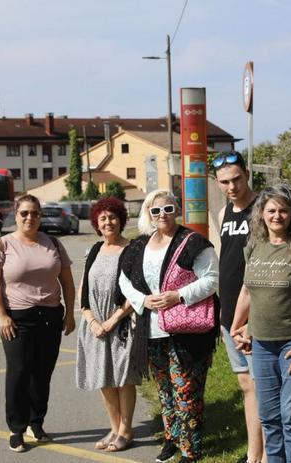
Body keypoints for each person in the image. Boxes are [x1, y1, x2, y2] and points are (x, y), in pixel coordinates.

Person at [118, 189, 219, 463]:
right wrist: (143, 300)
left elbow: (211, 279)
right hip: (151, 331)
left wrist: (179, 296)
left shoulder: (193, 242)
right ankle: (171, 440)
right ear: (148, 215)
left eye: (168, 209)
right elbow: (124, 280)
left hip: (186, 331)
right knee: (165, 390)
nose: (162, 215)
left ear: (177, 210)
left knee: (186, 389)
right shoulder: (139, 245)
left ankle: (190, 449)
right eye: (156, 210)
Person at [230, 182, 291, 463]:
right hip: (261, 344)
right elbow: (247, 291)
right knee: (270, 416)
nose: (277, 216)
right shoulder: (254, 246)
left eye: (283, 211)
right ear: (261, 213)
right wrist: (238, 327)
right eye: (271, 210)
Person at [0, 194, 76, 453]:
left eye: (34, 213)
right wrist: (2, 315)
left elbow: (67, 282)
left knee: (42, 374)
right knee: (19, 372)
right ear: (16, 214)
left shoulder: (54, 244)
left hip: (49, 317)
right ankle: (17, 428)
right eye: (24, 213)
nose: (29, 217)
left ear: (40, 215)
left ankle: (37, 423)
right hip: (17, 319)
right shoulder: (2, 245)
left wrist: (69, 314)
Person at [75, 197, 147, 452]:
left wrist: (113, 320)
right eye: (103, 218)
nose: (108, 222)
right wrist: (91, 320)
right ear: (96, 222)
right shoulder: (93, 250)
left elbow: (137, 291)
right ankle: (115, 428)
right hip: (95, 325)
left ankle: (126, 431)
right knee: (104, 378)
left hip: (123, 323)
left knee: (124, 377)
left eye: (113, 217)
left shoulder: (133, 250)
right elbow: (84, 288)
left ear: (121, 220)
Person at [213, 151, 264, 463]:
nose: (231, 187)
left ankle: (264, 455)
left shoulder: (263, 209)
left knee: (260, 388)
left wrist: (251, 320)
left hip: (255, 315)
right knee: (246, 386)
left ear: (247, 175)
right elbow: (226, 265)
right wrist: (224, 318)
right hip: (229, 314)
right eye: (224, 182)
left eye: (236, 179)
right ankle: (252, 453)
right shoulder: (222, 214)